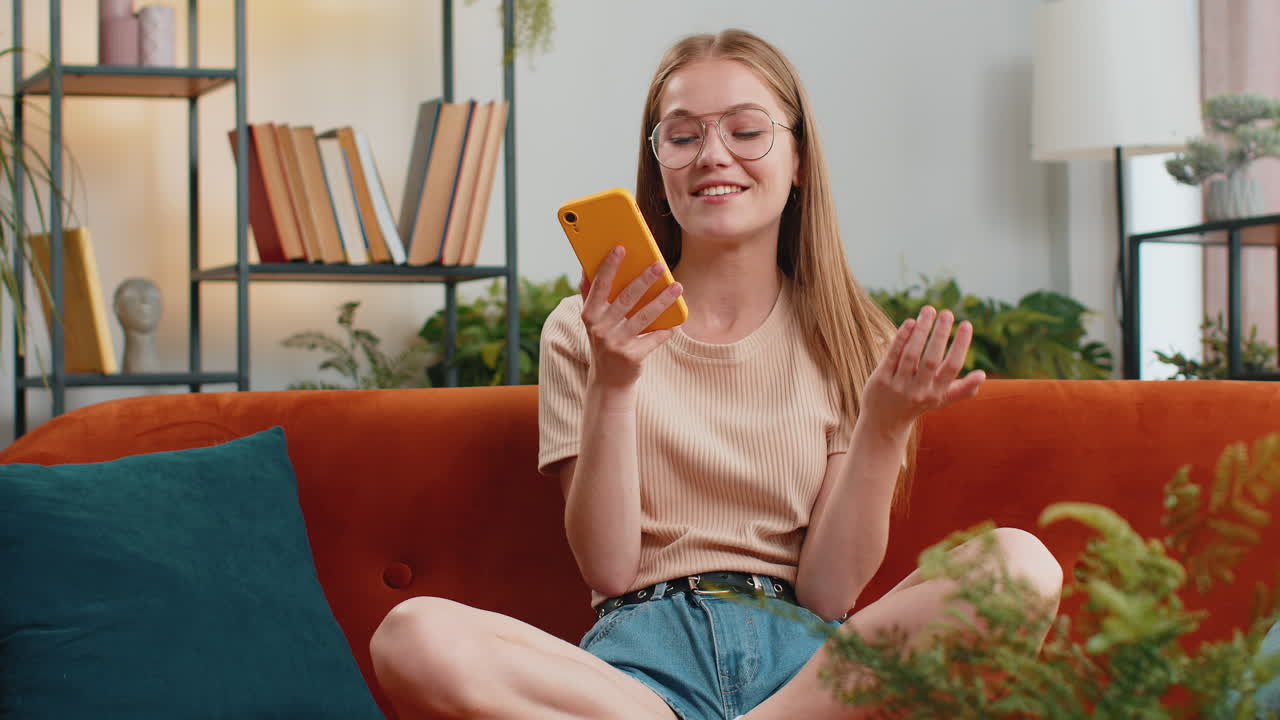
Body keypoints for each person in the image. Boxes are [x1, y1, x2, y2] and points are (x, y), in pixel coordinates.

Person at [370, 28, 1063, 720]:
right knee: (413, 635)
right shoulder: (586, 327)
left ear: (798, 162)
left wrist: (883, 425)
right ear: (660, 170)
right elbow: (608, 570)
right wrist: (615, 379)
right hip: (638, 677)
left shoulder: (854, 338)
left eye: (746, 130)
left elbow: (828, 594)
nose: (713, 155)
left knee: (1022, 566)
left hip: (809, 679)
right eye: (682, 136)